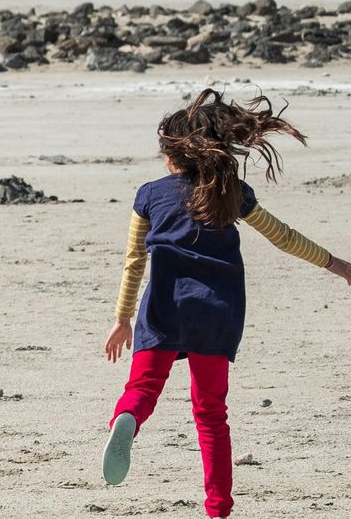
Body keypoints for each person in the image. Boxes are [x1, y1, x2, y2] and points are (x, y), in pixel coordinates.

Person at [101, 89, 351, 518]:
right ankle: (218, 509)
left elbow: (133, 262)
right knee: (212, 415)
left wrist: (122, 318)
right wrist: (336, 264)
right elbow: (282, 235)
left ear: (173, 153)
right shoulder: (230, 191)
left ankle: (128, 418)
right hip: (217, 314)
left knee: (142, 389)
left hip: (162, 309)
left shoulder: (149, 194)